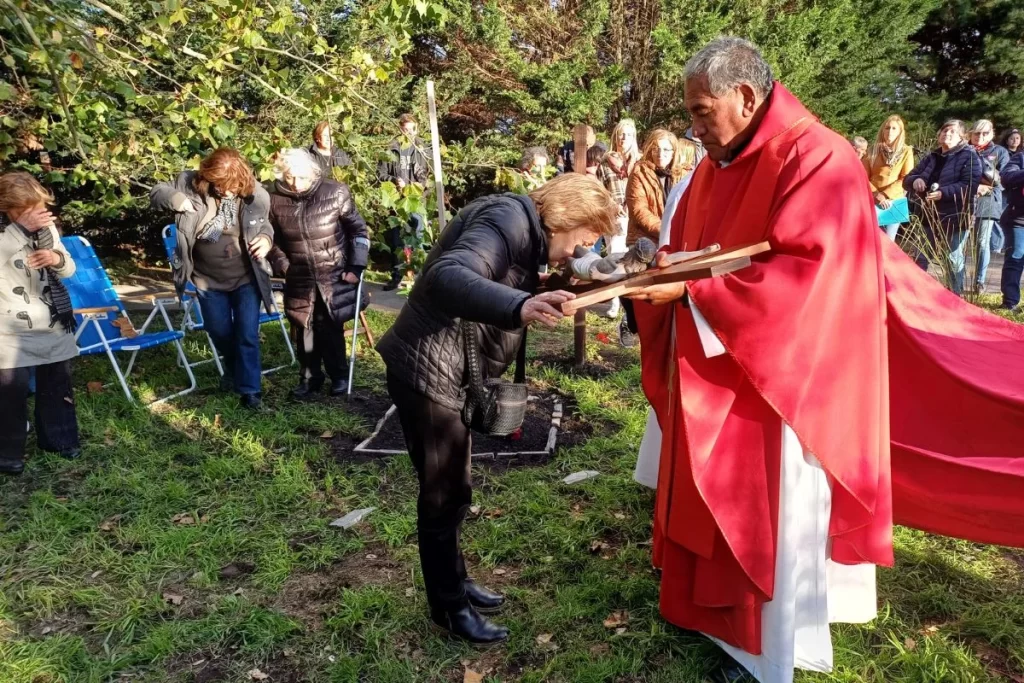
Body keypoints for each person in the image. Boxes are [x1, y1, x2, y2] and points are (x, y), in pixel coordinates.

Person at [625, 37, 894, 683]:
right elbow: (688, 247)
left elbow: (812, 276)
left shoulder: (818, 157)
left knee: (773, 513)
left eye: (701, 112)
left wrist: (693, 290)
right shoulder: (716, 164)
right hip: (720, 361)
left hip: (788, 382)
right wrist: (667, 275)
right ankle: (707, 611)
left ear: (744, 97)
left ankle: (766, 651)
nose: (694, 130)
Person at [376, 173, 619, 645]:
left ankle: (458, 582)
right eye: (581, 241)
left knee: (455, 488)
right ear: (565, 217)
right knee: (443, 494)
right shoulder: (509, 219)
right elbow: (448, 275)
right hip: (427, 371)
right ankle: (448, 608)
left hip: (444, 369)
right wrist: (521, 304)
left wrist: (560, 280)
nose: (577, 252)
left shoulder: (523, 229)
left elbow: (502, 273)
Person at [151, 148, 276, 409]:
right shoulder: (188, 183)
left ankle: (251, 392)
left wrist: (265, 239)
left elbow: (264, 224)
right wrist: (175, 199)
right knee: (217, 329)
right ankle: (234, 367)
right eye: (221, 186)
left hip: (246, 277)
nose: (228, 192)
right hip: (207, 279)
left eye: (233, 187)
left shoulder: (256, 195)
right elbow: (156, 192)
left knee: (247, 333)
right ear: (208, 176)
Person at [267, 149, 370, 398]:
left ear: (313, 173)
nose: (295, 183)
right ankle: (310, 378)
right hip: (299, 274)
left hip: (334, 273)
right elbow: (271, 239)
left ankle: (340, 376)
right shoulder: (273, 199)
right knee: (304, 327)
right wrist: (284, 265)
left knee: (331, 325)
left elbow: (358, 231)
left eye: (301, 177)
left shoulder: (335, 192)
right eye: (290, 177)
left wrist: (355, 267)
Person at [0, 172, 81, 475]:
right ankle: (8, 454)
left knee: (56, 383)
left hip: (50, 317)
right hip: (8, 325)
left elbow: (69, 268)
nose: (34, 215)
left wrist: (56, 259)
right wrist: (20, 230)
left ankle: (60, 441)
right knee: (10, 391)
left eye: (35, 207)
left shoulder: (45, 226)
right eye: (24, 210)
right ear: (6, 207)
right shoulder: (9, 230)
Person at [620, 129, 684, 347]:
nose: (661, 153)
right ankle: (630, 322)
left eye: (667, 149)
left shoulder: (683, 173)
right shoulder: (639, 172)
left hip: (674, 239)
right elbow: (639, 211)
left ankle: (664, 335)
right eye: (656, 148)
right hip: (645, 237)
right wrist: (666, 230)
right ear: (649, 149)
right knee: (633, 284)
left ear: (674, 152)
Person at [903, 120, 982, 295]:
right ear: (938, 135)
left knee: (952, 258)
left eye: (952, 132)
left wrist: (943, 193)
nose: (947, 133)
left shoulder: (969, 156)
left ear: (962, 137)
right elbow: (907, 179)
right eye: (944, 130)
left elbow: (969, 185)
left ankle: (955, 296)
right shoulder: (931, 156)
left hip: (956, 214)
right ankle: (916, 294)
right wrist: (915, 180)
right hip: (927, 214)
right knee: (921, 256)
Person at [378, 114, 429, 291]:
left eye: (411, 129)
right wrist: (394, 181)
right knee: (397, 242)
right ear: (400, 129)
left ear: (416, 129)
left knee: (418, 240)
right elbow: (380, 174)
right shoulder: (391, 148)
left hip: (416, 201)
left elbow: (428, 177)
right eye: (404, 129)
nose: (408, 133)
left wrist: (414, 186)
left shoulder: (423, 149)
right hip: (397, 203)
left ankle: (422, 281)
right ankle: (396, 277)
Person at [969, 119, 1010, 292]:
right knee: (959, 241)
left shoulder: (1000, 152)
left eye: (985, 133)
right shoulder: (963, 150)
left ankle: (979, 281)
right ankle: (956, 279)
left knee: (982, 242)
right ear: (971, 134)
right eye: (977, 133)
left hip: (988, 201)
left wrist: (987, 174)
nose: (980, 136)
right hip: (964, 200)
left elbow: (1005, 180)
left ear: (992, 133)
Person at [864, 115, 915, 241]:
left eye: (894, 128)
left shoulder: (906, 151)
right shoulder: (872, 150)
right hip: (871, 200)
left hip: (894, 201)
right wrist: (877, 195)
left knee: (888, 241)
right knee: (870, 240)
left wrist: (885, 195)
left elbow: (906, 177)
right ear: (882, 130)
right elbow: (862, 176)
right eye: (887, 128)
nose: (890, 132)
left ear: (900, 132)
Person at [998, 149, 1024, 308]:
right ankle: (1010, 302)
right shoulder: (1020, 157)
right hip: (1018, 219)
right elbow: (1006, 177)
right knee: (1015, 258)